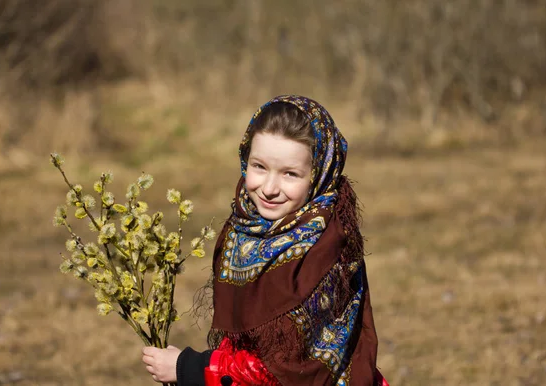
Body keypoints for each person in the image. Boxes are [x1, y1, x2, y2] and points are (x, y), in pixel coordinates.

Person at [142, 95, 388, 386]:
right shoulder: (246, 228)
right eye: (259, 167)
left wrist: (191, 368)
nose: (269, 189)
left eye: (290, 174)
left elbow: (289, 370)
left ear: (318, 176)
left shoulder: (325, 251)